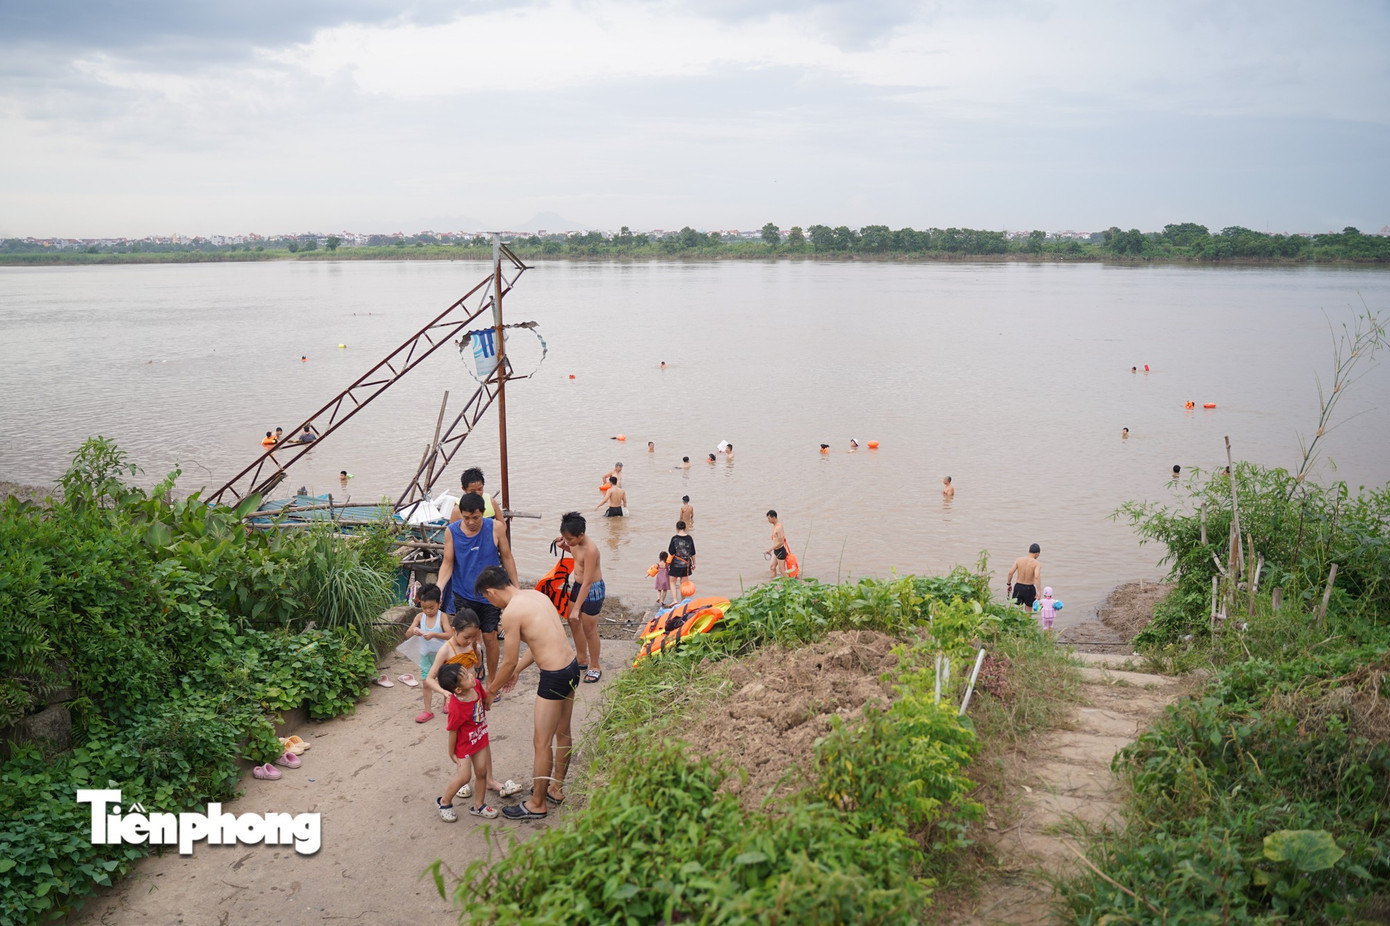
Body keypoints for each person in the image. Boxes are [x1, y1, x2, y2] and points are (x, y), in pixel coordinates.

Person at [474, 566, 580, 820]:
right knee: (563, 734)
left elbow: (507, 660)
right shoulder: (536, 596)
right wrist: (517, 671)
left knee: (541, 743)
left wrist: (491, 690)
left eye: (488, 598)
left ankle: (537, 803)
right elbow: (538, 644)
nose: (491, 603)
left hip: (553, 677)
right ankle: (556, 789)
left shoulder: (511, 613)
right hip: (571, 667)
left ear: (491, 592)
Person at [435, 492, 518, 685]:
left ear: (483, 513)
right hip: (463, 593)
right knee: (467, 638)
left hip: (491, 595)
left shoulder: (495, 528)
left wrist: (516, 588)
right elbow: (447, 563)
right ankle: (472, 672)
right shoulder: (452, 531)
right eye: (466, 518)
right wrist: (439, 588)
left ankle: (493, 680)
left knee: (490, 636)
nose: (471, 522)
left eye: (476, 517)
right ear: (460, 514)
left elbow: (507, 557)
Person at [434, 661, 498, 821]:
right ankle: (444, 802)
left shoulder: (475, 685)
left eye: (468, 672)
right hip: (464, 746)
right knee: (464, 777)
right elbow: (452, 731)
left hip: (480, 737)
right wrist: (451, 752)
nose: (472, 675)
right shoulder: (456, 708)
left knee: (482, 772)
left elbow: (484, 701)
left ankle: (479, 805)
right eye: (467, 676)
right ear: (458, 689)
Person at [556, 511, 604, 683]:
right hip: (578, 584)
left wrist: (577, 608)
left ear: (581, 535)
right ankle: (582, 658)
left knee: (589, 629)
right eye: (565, 538)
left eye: (569, 539)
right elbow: (575, 553)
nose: (567, 541)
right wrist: (564, 546)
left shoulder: (591, 550)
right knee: (572, 620)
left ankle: (595, 666)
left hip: (592, 589)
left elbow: (588, 582)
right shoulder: (574, 542)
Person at [406, 584, 450, 723]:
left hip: (442, 655)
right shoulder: (420, 617)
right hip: (425, 655)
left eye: (432, 608)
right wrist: (414, 630)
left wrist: (434, 635)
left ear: (439, 603)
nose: (428, 611)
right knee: (426, 683)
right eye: (424, 608)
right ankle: (427, 710)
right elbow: (407, 633)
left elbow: (450, 635)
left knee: (445, 681)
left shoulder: (442, 617)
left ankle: (447, 702)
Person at [1006, 543, 1042, 609]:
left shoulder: (1018, 560)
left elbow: (1010, 573)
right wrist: (1039, 591)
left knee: (1017, 611)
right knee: (1028, 612)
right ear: (1037, 553)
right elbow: (1037, 577)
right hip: (1029, 588)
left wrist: (1009, 584)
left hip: (1018, 587)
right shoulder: (1037, 563)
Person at [667, 521, 696, 591]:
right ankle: (683, 601)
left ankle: (675, 600)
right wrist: (694, 563)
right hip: (686, 564)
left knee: (672, 582)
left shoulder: (674, 538)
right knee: (684, 585)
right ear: (685, 528)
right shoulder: (689, 538)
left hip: (675, 564)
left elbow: (671, 552)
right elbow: (693, 553)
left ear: (677, 528)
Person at [766, 510, 788, 578]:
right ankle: (773, 583)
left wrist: (771, 548)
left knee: (781, 570)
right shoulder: (775, 526)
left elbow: (781, 542)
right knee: (772, 567)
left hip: (780, 550)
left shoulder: (779, 527)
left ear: (774, 517)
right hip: (776, 551)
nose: (768, 520)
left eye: (769, 518)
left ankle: (789, 583)